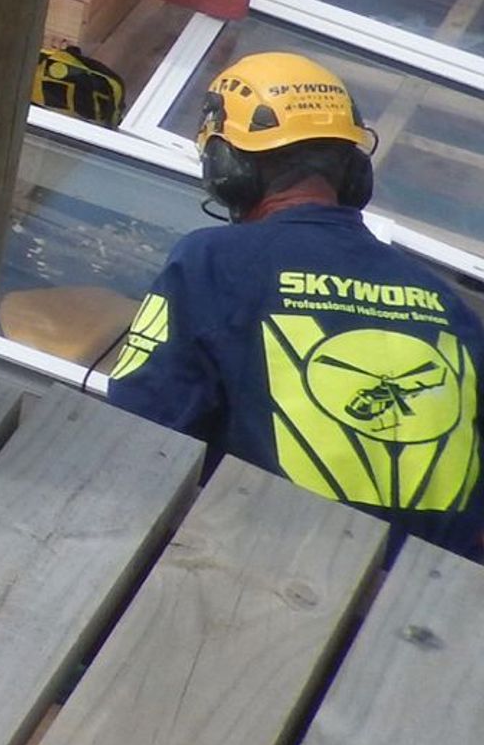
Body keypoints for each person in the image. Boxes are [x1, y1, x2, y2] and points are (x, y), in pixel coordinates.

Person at [106, 51, 484, 555]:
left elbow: (136, 435)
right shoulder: (447, 305)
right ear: (354, 172)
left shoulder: (212, 262)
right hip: (417, 615)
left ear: (227, 167)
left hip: (251, 577)